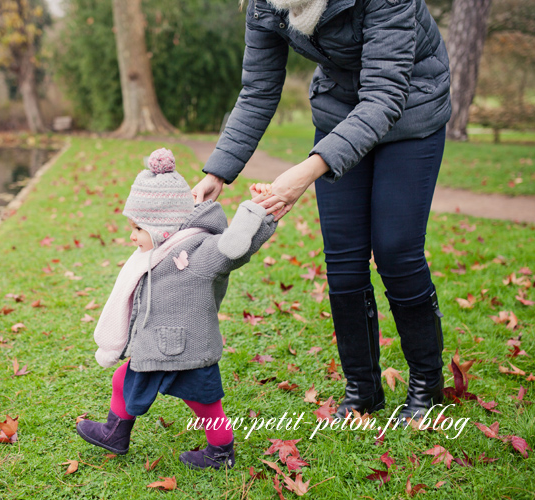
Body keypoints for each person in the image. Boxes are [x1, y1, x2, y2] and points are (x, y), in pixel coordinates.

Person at [192, 0, 451, 422]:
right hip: (339, 109)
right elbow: (258, 90)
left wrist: (305, 173)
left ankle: (427, 384)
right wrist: (218, 172)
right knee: (344, 259)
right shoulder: (266, 5)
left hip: (409, 109)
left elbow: (384, 95)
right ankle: (362, 390)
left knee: (396, 250)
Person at [76, 148, 277, 469]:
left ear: (163, 229)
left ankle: (220, 454)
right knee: (124, 381)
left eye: (138, 229)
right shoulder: (158, 251)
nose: (132, 236)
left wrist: (257, 211)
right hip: (161, 347)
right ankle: (116, 434)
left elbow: (234, 248)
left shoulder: (198, 254)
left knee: (207, 407)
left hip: (182, 350)